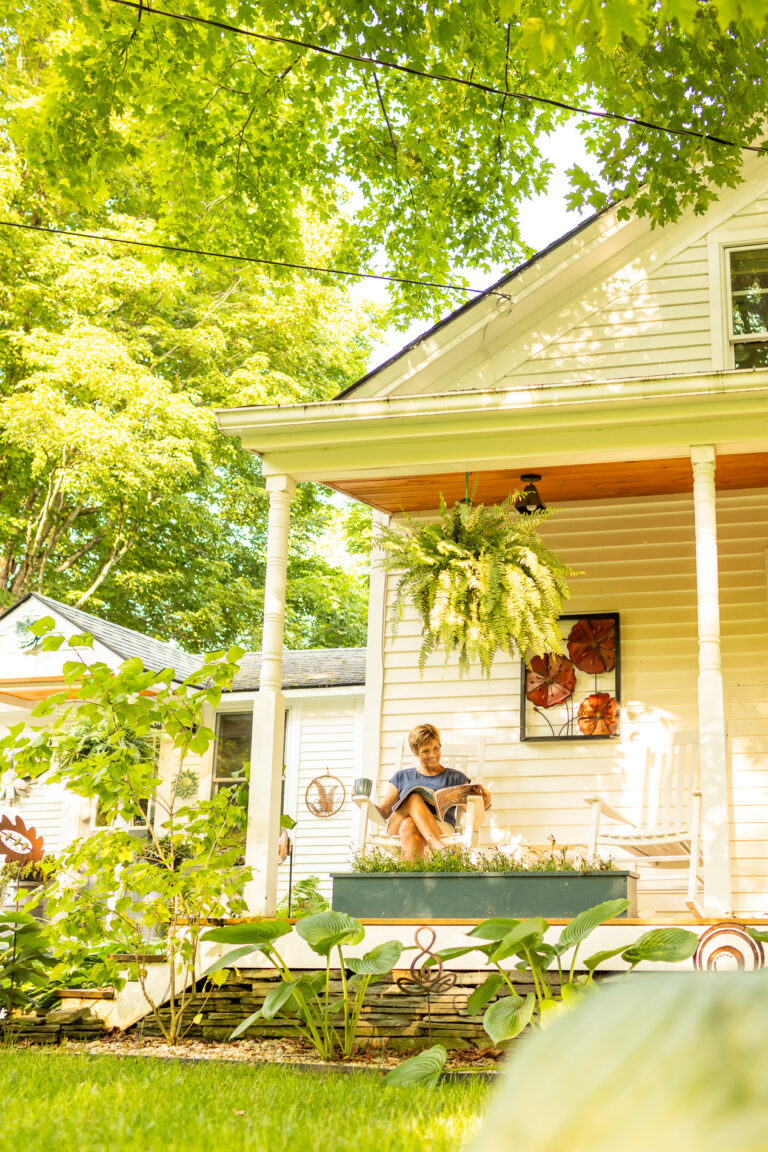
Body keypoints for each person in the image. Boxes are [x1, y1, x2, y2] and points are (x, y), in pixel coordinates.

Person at [376, 723, 490, 859]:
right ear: (415, 752)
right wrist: (361, 799)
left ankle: (410, 876)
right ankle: (437, 845)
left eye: (436, 748)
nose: (433, 755)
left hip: (440, 827)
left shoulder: (455, 777)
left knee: (409, 824)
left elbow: (472, 811)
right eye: (425, 751)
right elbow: (383, 812)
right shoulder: (402, 776)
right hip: (397, 828)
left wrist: (485, 802)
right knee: (413, 798)